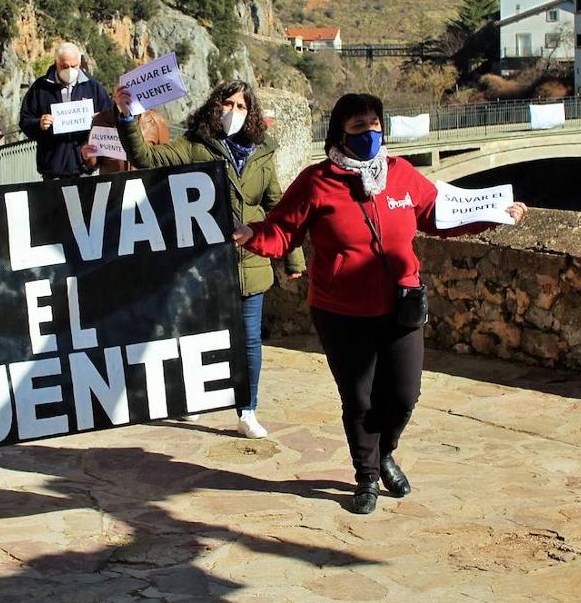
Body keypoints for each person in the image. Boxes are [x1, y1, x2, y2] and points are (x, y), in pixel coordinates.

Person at [233, 93, 528, 515]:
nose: (370, 133)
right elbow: (283, 230)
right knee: (360, 400)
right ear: (340, 133)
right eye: (358, 127)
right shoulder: (317, 181)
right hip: (341, 312)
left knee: (405, 395)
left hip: (401, 304)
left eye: (375, 125)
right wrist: (252, 236)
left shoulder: (402, 175)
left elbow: (442, 216)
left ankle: (386, 450)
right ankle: (367, 476)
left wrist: (497, 213)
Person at [114, 79, 305, 438]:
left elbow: (276, 207)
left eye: (242, 106)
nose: (233, 111)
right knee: (199, 334)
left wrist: (292, 258)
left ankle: (247, 409)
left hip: (249, 262)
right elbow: (147, 158)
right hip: (203, 264)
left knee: (249, 340)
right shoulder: (194, 146)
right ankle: (196, 400)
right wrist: (128, 118)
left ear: (251, 113)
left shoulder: (262, 152)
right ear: (214, 107)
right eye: (227, 103)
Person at [21, 42, 114, 179]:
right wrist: (39, 124)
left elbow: (111, 119)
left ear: (80, 63)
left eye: (74, 66)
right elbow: (25, 121)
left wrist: (99, 119)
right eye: (64, 66)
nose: (69, 70)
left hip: (86, 169)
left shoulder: (93, 87)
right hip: (52, 170)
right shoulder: (40, 88)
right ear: (56, 63)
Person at [81, 107, 170, 175]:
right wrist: (87, 156)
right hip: (112, 188)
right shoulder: (101, 119)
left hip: (145, 190)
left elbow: (166, 161)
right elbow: (93, 163)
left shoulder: (156, 121)